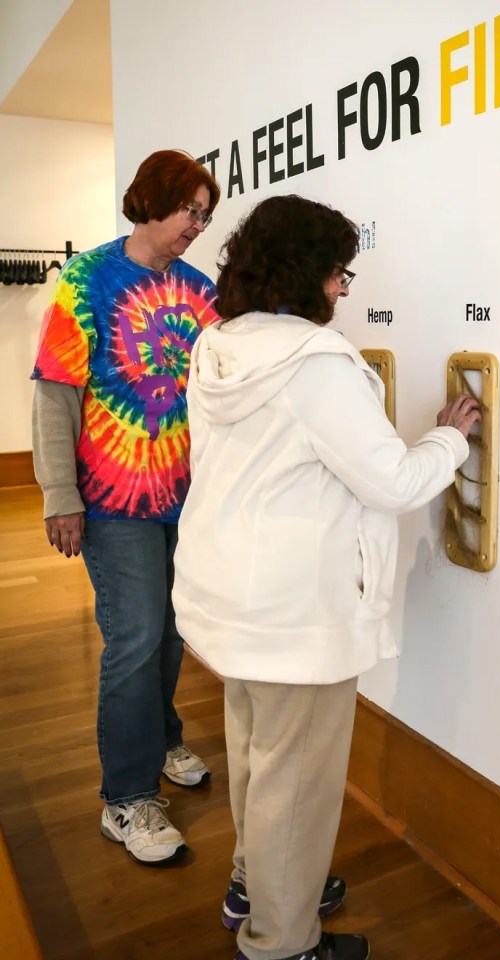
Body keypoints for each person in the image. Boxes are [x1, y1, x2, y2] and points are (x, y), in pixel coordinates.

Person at [172, 194, 481, 960]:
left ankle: (256, 885)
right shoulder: (315, 366)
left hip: (227, 600)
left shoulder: (217, 345)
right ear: (305, 270)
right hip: (295, 615)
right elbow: (392, 482)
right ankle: (280, 942)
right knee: (296, 786)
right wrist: (448, 440)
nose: (344, 287)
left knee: (256, 758)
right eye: (340, 271)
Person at [31, 149, 221, 866]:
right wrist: (59, 493)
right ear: (152, 201)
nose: (197, 225)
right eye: (189, 210)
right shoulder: (87, 280)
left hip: (187, 496)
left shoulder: (200, 292)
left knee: (171, 634)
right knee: (136, 634)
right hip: (112, 500)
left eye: (206, 215)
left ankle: (162, 739)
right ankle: (127, 797)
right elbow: (55, 394)